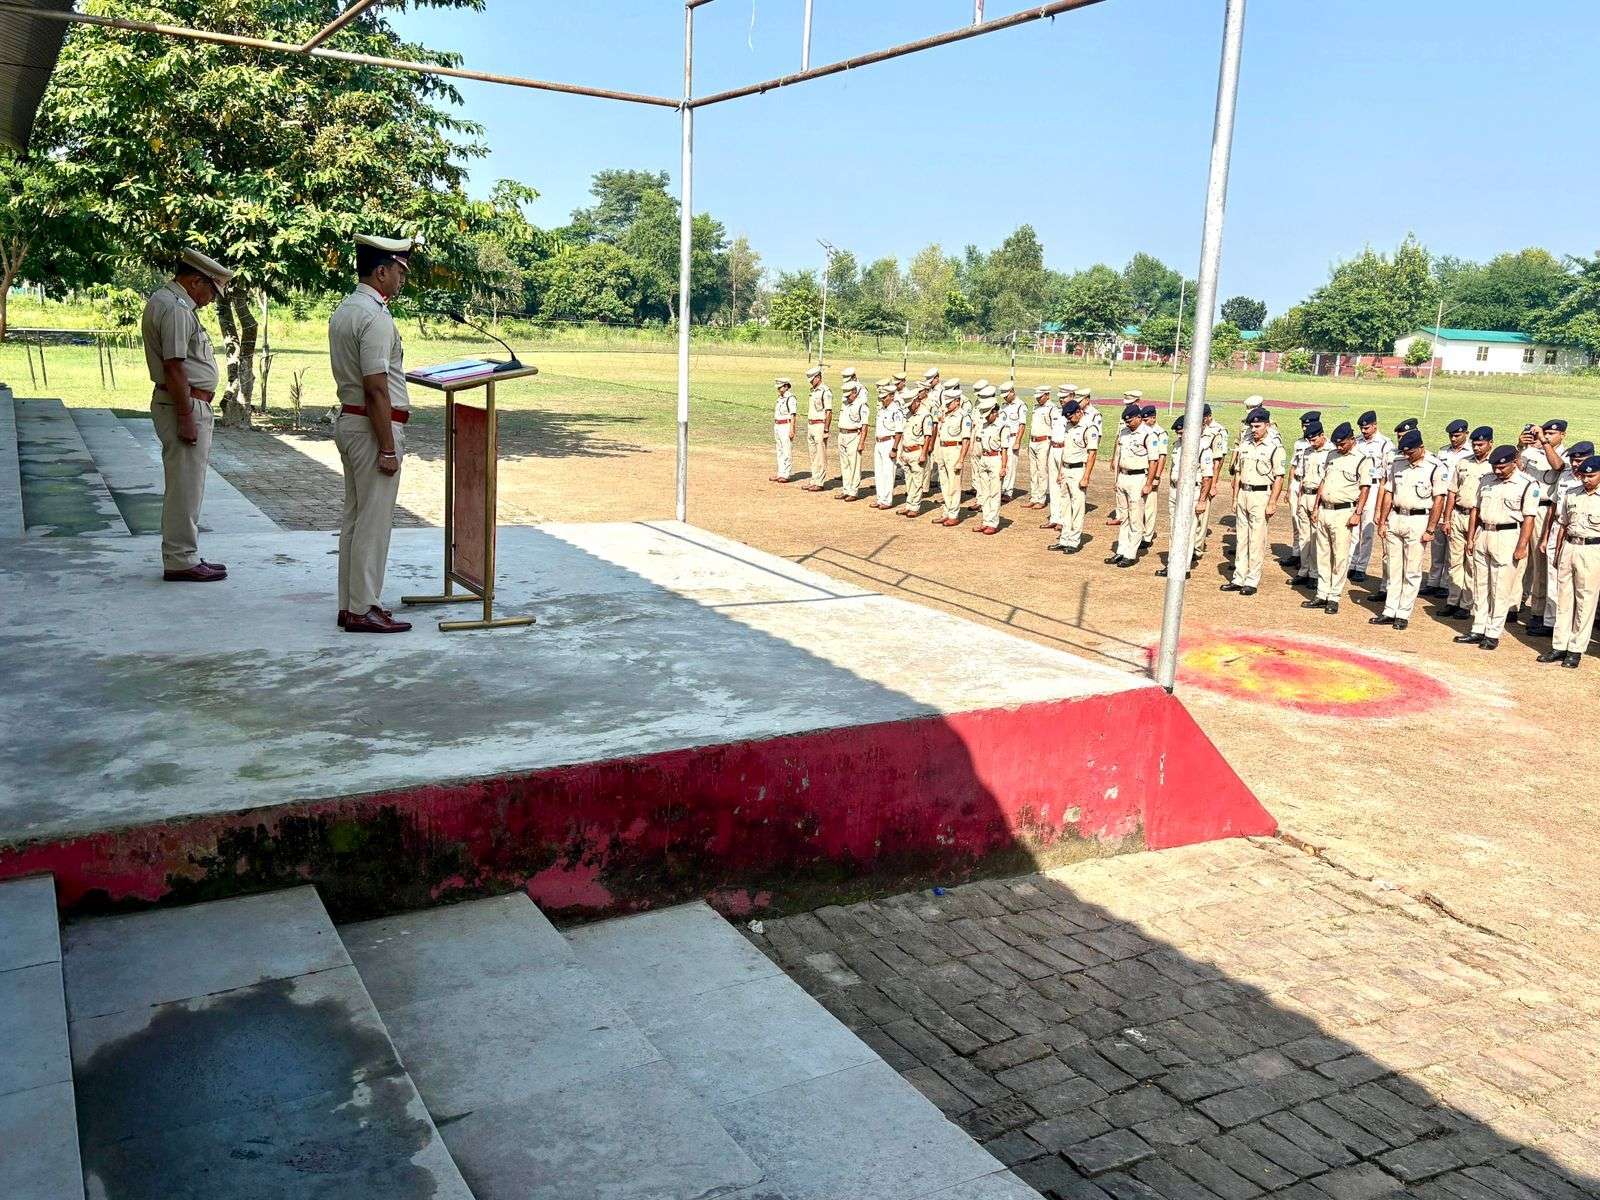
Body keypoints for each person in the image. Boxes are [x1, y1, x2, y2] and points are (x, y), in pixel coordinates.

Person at [330, 232, 418, 633]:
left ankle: (350, 605)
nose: (402, 279)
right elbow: (377, 387)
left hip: (353, 422)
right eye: (400, 272)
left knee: (355, 518)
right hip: (372, 427)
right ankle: (364, 607)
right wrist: (387, 447)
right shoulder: (375, 316)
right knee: (373, 523)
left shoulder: (346, 309)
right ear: (381, 272)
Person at [141, 248, 235, 583]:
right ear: (196, 281)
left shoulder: (171, 303)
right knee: (185, 486)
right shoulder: (176, 309)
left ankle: (184, 553)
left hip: (185, 402)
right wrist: (186, 416)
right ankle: (180, 558)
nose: (211, 299)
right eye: (211, 290)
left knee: (187, 484)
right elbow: (174, 367)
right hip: (184, 404)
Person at [1457, 446, 1540, 651]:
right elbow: (1475, 510)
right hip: (1484, 533)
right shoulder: (1486, 480)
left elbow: (1529, 518)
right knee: (1480, 585)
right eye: (1495, 467)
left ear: (1515, 462)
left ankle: (1493, 633)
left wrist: (1522, 546)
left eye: (1502, 467)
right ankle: (1478, 628)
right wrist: (1470, 538)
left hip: (1508, 535)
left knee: (1500, 588)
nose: (1497, 471)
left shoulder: (1527, 484)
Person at [1370, 429, 1446, 632]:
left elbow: (1439, 500)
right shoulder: (1397, 463)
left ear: (1421, 447)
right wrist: (1383, 521)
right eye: (1404, 452)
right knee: (1393, 568)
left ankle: (1403, 613)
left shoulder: (1434, 467)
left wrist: (1431, 528)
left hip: (1419, 519)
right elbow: (1389, 492)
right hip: (1396, 517)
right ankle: (1389, 610)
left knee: (1411, 570)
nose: (1407, 455)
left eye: (1410, 452)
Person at [1304, 422, 1371, 615]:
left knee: (1340, 557)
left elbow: (1365, 488)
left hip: (1344, 512)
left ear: (1352, 439)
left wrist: (1358, 513)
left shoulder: (1362, 459)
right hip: (1325, 510)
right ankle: (1321, 594)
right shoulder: (1331, 455)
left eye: (1342, 444)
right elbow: (1323, 481)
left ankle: (1334, 597)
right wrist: (1316, 507)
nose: (1339, 447)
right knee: (1323, 554)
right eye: (1337, 444)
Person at [1540, 453, 1600, 668]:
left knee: (1585, 601)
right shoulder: (1572, 493)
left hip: (1593, 549)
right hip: (1569, 546)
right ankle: (1559, 645)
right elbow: (1563, 525)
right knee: (1563, 598)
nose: (1586, 480)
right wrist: (1558, 552)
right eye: (1583, 476)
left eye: (1591, 476)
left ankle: (1575, 649)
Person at [1222, 406, 1286, 596]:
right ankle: (1238, 577)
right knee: (1241, 538)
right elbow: (1238, 472)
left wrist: (1273, 502)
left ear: (1267, 425)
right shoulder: (1246, 443)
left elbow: (1279, 477)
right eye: (1252, 426)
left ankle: (1251, 580)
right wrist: (1235, 497)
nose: (1254, 429)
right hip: (1244, 493)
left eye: (1257, 426)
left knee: (1256, 539)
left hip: (1261, 494)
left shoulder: (1275, 447)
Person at [1531, 440, 1592, 634]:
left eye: (1579, 460)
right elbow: (1554, 506)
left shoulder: (1592, 478)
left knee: (1581, 584)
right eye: (1572, 459)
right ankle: (1551, 622)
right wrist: (1545, 536)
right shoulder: (1565, 474)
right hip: (1558, 527)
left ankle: (1573, 626)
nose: (1574, 464)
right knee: (1553, 576)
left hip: (1582, 531)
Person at [1515, 418, 1570, 633]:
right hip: (1523, 506)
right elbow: (1518, 469)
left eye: (1551, 434)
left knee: (1540, 564)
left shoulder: (1565, 454)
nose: (1546, 436)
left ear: (1562, 435)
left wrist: (1544, 444)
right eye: (1544, 433)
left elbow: (1557, 466)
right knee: (1519, 558)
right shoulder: (1531, 450)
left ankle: (1538, 611)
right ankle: (1514, 602)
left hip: (1543, 509)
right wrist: (1520, 446)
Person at [1441, 427, 1495, 620]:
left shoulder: (1493, 466)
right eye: (1474, 444)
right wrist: (1447, 518)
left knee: (1472, 562)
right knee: (1454, 561)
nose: (1477, 448)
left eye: (1481, 444)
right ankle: (1452, 600)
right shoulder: (1463, 462)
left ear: (1490, 443)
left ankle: (1466, 603)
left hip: (1479, 520)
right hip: (1458, 514)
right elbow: (1452, 491)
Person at [1155, 413, 1214, 579]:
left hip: (1192, 492)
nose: (1179, 436)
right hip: (1175, 490)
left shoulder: (1202, 447)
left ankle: (1183, 567)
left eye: (1182, 433)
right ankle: (1172, 564)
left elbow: (1207, 477)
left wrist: (1202, 500)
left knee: (1187, 530)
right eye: (1178, 433)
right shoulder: (1177, 445)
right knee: (1174, 530)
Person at [1423, 419, 1471, 595]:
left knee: (1453, 547)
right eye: (1451, 436)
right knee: (1437, 545)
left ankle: (1446, 584)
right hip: (1440, 499)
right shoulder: (1443, 451)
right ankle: (1433, 581)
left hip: (1456, 502)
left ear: (1466, 434)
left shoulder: (1471, 453)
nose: (1453, 439)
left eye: (1457, 435)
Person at [1347, 410, 1394, 583]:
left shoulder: (1385, 444)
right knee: (1354, 527)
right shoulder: (1357, 442)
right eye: (1361, 428)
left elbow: (1387, 473)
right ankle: (1351, 563)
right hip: (1357, 485)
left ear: (1375, 425)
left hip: (1374, 486)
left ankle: (1361, 566)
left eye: (1366, 428)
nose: (1364, 431)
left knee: (1367, 528)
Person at [1106, 403, 1154, 567]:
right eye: (1126, 422)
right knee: (1123, 517)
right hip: (1123, 476)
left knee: (1135, 517)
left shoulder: (1148, 434)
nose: (1128, 424)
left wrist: (1149, 483)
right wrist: (1116, 479)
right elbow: (1119, 457)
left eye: (1130, 421)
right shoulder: (1124, 432)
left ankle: (1130, 554)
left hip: (1138, 477)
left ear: (1139, 417)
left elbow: (1153, 461)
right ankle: (1121, 551)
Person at [1050, 399, 1100, 555]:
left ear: (1079, 412)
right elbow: (1065, 450)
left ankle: (1074, 541)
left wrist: (1086, 477)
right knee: (1064, 506)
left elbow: (1092, 453)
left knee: (1077, 506)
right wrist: (1060, 471)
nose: (1069, 419)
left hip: (1079, 470)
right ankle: (1064, 539)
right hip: (1066, 469)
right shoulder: (1069, 426)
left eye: (1070, 416)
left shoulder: (1089, 427)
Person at [1289, 421, 1329, 589]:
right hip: (1304, 495)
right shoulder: (1307, 451)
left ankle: (1314, 573)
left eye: (1314, 440)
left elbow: (1326, 480)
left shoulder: (1331, 452)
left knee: (1316, 538)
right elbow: (1302, 475)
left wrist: (1318, 505)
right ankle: (1303, 570)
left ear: (1322, 435)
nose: (1311, 443)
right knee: (1304, 536)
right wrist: (1299, 499)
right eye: (1309, 440)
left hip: (1318, 498)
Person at [1283, 411, 1320, 568]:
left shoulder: (1320, 444)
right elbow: (1293, 466)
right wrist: (1289, 488)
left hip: (1310, 486)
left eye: (1307, 426)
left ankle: (1310, 558)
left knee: (1311, 526)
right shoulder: (1298, 443)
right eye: (1303, 426)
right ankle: (1297, 553)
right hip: (1297, 483)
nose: (1305, 429)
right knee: (1295, 520)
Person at [931, 385, 972, 527]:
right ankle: (947, 512)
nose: (947, 406)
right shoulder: (945, 415)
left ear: (957, 401)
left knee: (954, 484)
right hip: (943, 449)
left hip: (955, 449)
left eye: (949, 403)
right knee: (944, 483)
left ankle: (953, 514)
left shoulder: (963, 416)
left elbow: (966, 439)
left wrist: (961, 459)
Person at [897, 386, 936, 517]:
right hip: (906, 451)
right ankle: (909, 505)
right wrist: (901, 451)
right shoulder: (908, 415)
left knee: (917, 481)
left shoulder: (925, 415)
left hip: (917, 451)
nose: (909, 408)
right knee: (909, 481)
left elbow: (927, 436)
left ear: (916, 401)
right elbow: (904, 434)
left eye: (910, 405)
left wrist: (924, 454)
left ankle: (915, 507)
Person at [971, 398, 1007, 535]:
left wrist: (1003, 467)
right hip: (984, 458)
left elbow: (1004, 449)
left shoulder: (1002, 426)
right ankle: (986, 521)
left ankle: (993, 522)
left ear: (995, 412)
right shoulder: (983, 425)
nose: (986, 417)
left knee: (995, 493)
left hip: (995, 458)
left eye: (988, 414)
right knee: (984, 492)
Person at [869, 379, 905, 509]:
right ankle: (880, 498)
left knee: (888, 472)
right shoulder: (882, 409)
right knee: (879, 472)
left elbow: (899, 431)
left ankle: (887, 500)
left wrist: (894, 448)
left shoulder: (896, 411)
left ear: (892, 396)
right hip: (879, 442)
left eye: (885, 397)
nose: (882, 400)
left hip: (889, 442)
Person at [835, 380, 870, 501]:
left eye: (848, 394)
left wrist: (861, 442)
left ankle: (853, 491)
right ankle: (846, 489)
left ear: (854, 392)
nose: (846, 397)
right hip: (842, 434)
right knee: (844, 464)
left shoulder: (861, 405)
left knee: (854, 464)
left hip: (854, 435)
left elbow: (864, 425)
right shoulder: (844, 403)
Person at [1140, 404, 1168, 550]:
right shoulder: (1142, 431)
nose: (1144, 422)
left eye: (1146, 420)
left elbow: (1162, 456)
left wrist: (1157, 476)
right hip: (1140, 472)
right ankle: (1139, 532)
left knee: (1149, 506)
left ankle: (1147, 536)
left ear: (1153, 418)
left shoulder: (1160, 433)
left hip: (1151, 473)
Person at [1043, 388, 1071, 533]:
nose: (1061, 400)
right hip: (1053, 448)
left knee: (1064, 486)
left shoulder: (1073, 414)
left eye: (1064, 397)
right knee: (1053, 485)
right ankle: (1054, 517)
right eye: (1060, 397)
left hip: (1064, 450)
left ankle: (1063, 519)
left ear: (1072, 396)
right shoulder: (1055, 412)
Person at [802, 366, 832, 491]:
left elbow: (828, 412)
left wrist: (826, 429)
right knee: (813, 455)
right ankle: (814, 480)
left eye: (812, 379)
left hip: (820, 425)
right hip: (811, 424)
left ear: (818, 377)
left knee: (820, 455)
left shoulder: (825, 391)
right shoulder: (813, 391)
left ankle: (819, 482)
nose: (810, 382)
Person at [1026, 386, 1054, 508]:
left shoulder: (1052, 408)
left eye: (1040, 397)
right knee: (1033, 471)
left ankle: (1041, 499)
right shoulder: (1035, 407)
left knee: (1042, 471)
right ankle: (1034, 497)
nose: (1038, 399)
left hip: (1044, 441)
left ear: (1047, 395)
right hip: (1033, 441)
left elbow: (1054, 427)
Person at [999, 381, 1027, 501]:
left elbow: (1022, 425)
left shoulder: (1020, 405)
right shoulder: (1003, 406)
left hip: (1012, 437)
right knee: (1002, 463)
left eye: (1006, 395)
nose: (1005, 398)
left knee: (1010, 464)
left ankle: (1008, 491)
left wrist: (1017, 441)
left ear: (1012, 392)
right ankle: (1001, 489)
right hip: (1002, 437)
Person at [771, 377, 798, 482]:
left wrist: (792, 429)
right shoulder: (780, 398)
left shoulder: (790, 398)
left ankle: (786, 474)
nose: (778, 389)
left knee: (786, 450)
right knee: (779, 450)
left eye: (780, 387)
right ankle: (780, 473)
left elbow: (793, 415)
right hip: (778, 425)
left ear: (786, 386)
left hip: (786, 425)